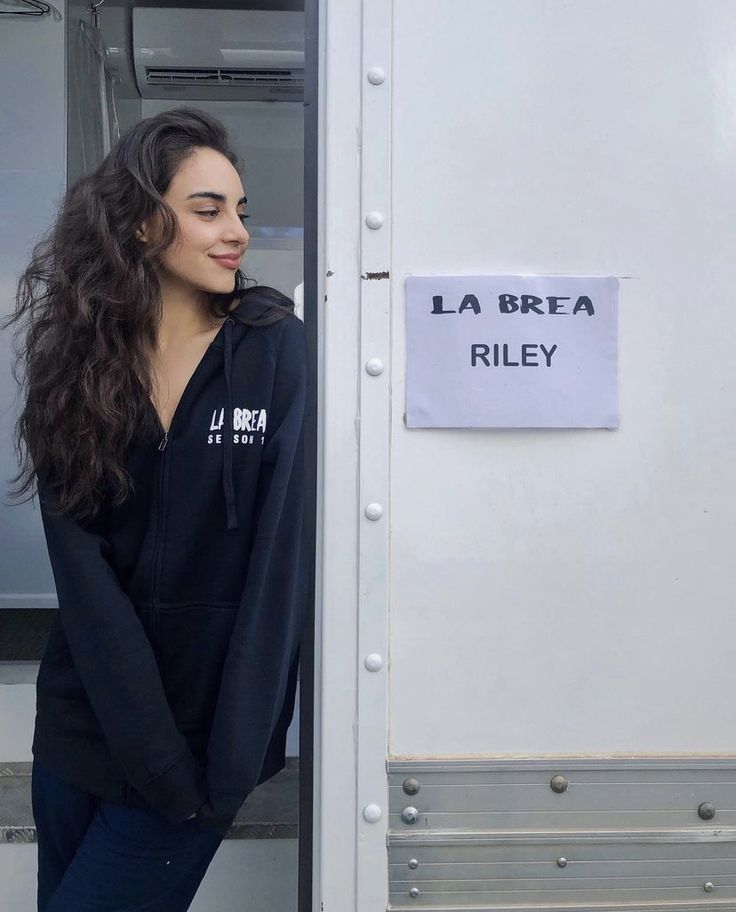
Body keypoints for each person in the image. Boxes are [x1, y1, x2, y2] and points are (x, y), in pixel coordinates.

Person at [2, 107, 308, 911]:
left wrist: (223, 762)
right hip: (83, 732)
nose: (236, 230)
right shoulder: (76, 362)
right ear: (141, 224)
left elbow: (281, 565)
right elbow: (83, 575)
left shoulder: (277, 347)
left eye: (239, 210)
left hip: (204, 751)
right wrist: (151, 753)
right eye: (208, 211)